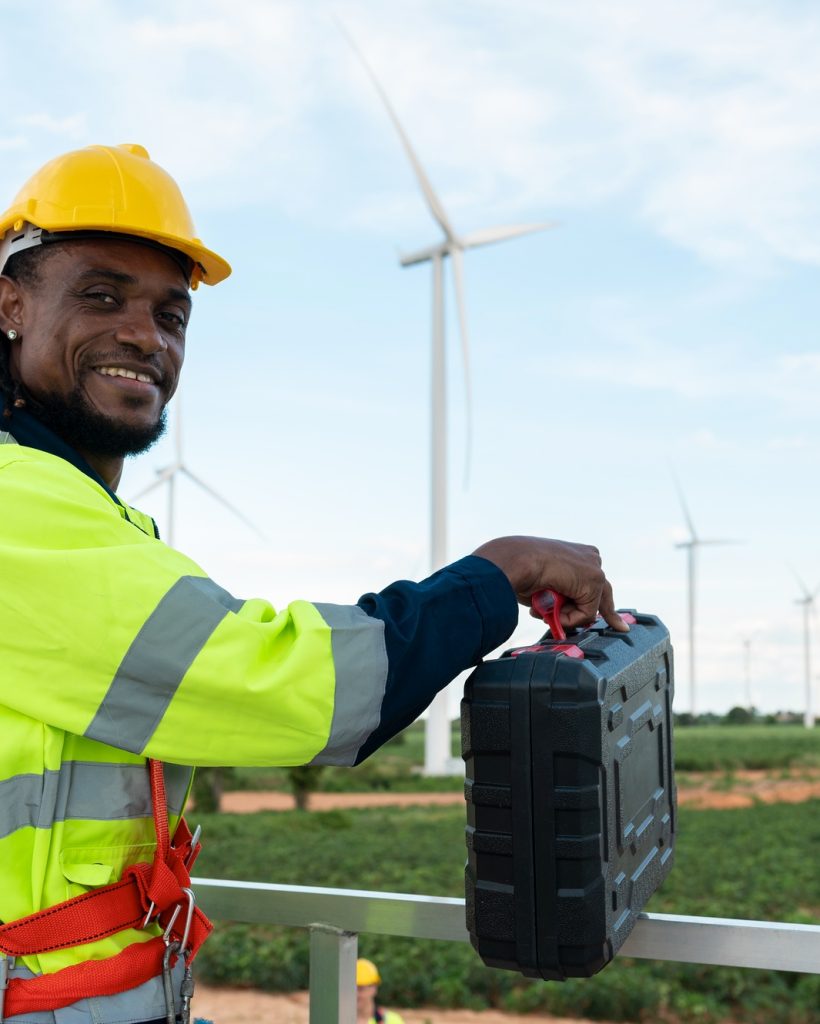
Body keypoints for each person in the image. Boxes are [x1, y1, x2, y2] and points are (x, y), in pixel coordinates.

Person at [0, 143, 628, 1024]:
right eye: (101, 296)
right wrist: (496, 575)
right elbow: (291, 686)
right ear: (11, 304)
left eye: (171, 314)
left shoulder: (70, 506)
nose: (145, 334)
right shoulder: (16, 511)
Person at [356, 958, 403, 1024]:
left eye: (360, 989)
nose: (355, 994)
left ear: (374, 988)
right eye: (350, 990)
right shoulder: (337, 1020)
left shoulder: (391, 1021)